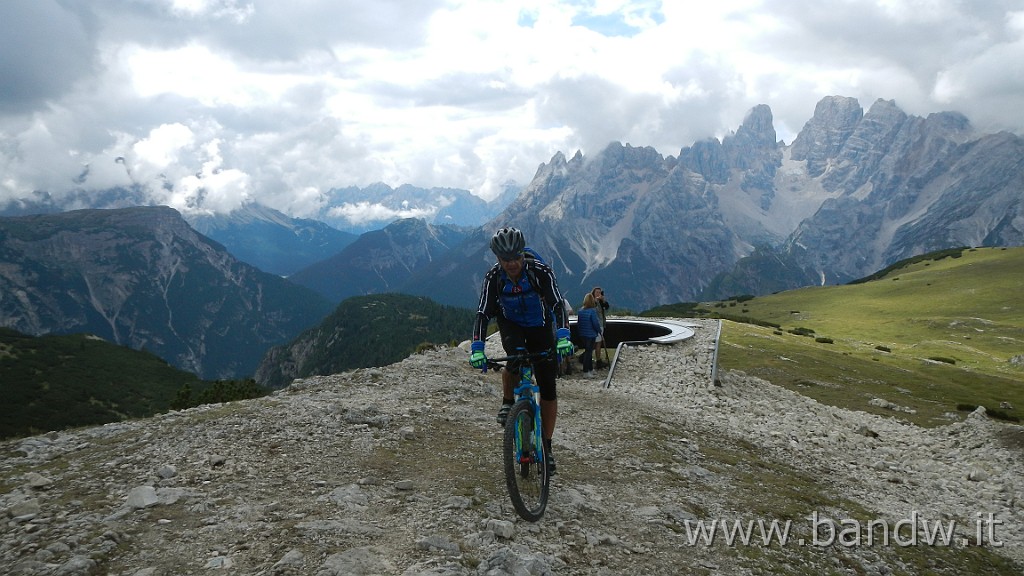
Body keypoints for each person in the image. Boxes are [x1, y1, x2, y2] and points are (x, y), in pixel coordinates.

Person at [469, 227, 573, 474]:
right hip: (511, 324)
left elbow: (558, 304)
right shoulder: (493, 277)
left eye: (516, 257)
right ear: (497, 259)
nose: (513, 263)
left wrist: (563, 336)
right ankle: (508, 402)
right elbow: (483, 313)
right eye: (506, 260)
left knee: (548, 386)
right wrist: (477, 348)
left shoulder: (540, 271)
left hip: (540, 325)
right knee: (514, 358)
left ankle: (546, 447)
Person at [576, 293, 603, 377]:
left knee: (588, 351)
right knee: (589, 352)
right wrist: (599, 331)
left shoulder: (580, 311)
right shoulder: (592, 311)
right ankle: (586, 371)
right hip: (591, 334)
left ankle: (590, 369)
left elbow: (579, 323)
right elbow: (595, 323)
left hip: (582, 334)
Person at [591, 287, 610, 368]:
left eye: (599, 292)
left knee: (597, 342)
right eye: (597, 292)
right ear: (593, 293)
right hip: (597, 325)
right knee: (597, 343)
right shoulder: (593, 302)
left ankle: (592, 358)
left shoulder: (601, 302)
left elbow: (607, 307)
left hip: (601, 324)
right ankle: (598, 360)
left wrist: (603, 300)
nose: (598, 294)